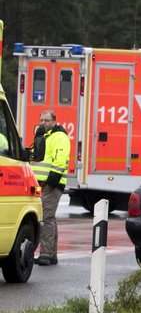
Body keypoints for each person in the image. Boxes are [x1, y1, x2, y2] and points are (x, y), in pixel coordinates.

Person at [31, 110, 70, 266]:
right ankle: (51, 255)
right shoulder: (43, 136)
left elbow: (60, 160)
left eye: (46, 120)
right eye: (41, 120)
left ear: (54, 121)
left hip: (51, 183)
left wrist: (51, 181)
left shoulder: (59, 137)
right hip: (41, 183)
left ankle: (46, 254)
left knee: (46, 217)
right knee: (50, 218)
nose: (43, 123)